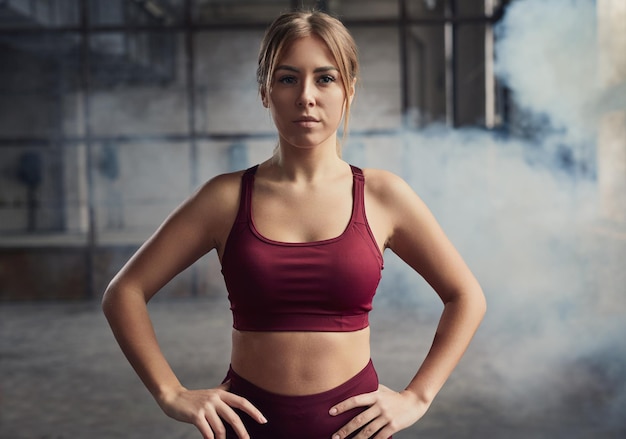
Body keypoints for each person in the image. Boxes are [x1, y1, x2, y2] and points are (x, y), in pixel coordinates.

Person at [102, 9, 486, 439]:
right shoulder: (224, 198)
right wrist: (170, 393)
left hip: (356, 430)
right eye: (288, 79)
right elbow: (124, 293)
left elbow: (466, 295)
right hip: (247, 429)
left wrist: (417, 396)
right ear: (266, 92)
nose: (306, 96)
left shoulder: (383, 196)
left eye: (325, 78)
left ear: (349, 91)